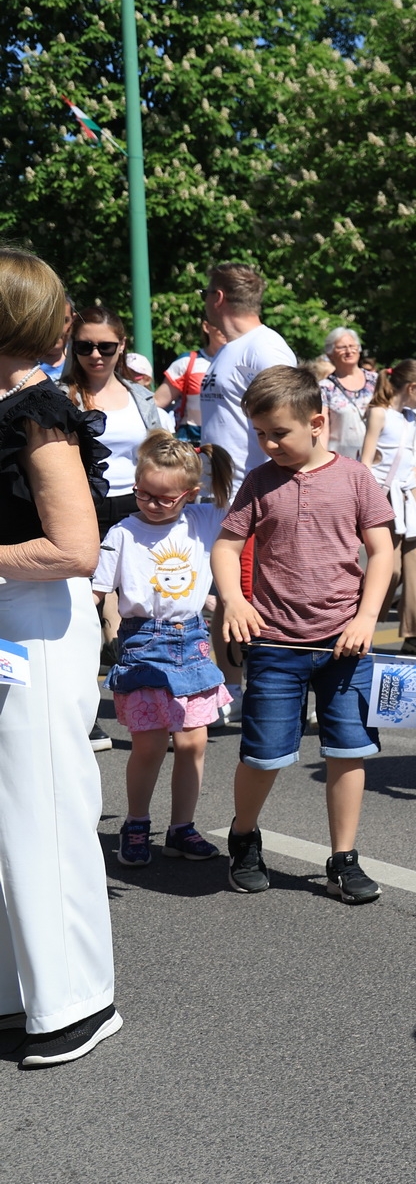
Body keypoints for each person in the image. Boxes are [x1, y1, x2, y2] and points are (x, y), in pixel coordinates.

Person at [0, 248, 121, 1067]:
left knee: (42, 807)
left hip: (37, 620)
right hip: (15, 613)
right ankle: (23, 991)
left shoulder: (37, 410)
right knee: (11, 816)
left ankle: (80, 1001)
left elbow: (75, 547)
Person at [213, 366, 397, 902]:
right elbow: (225, 547)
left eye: (279, 433)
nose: (269, 444)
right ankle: (244, 835)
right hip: (275, 644)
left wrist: (366, 618)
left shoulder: (356, 478)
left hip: (345, 643)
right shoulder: (259, 481)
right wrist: (234, 600)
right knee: (263, 755)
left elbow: (382, 551)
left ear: (316, 423)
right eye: (260, 434)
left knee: (348, 751)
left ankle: (344, 859)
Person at [98, 431, 235, 867]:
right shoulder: (122, 532)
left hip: (192, 642)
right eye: (144, 493)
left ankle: (182, 828)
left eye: (165, 498)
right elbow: (97, 590)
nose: (152, 504)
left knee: (193, 743)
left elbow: (249, 502)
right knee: (150, 745)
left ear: (190, 494)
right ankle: (136, 823)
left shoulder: (204, 519)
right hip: (143, 643)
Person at [63, 305, 170, 534]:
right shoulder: (60, 397)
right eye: (85, 347)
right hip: (81, 507)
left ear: (121, 345)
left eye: (105, 347)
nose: (95, 355)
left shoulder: (141, 397)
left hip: (140, 504)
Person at [363, 360, 416, 658]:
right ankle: (362, 624)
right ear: (412, 387)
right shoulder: (378, 413)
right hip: (382, 498)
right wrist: (367, 503)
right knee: (389, 569)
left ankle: (415, 633)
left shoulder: (411, 418)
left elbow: (410, 465)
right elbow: (365, 462)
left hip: (408, 500)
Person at [198, 263, 298, 479]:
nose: (204, 302)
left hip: (251, 489)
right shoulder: (228, 348)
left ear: (218, 297)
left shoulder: (265, 348)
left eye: (205, 294)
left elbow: (292, 418)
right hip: (219, 488)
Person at [156, 320, 225, 445]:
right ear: (206, 326)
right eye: (220, 322)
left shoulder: (244, 359)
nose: (226, 327)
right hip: (192, 440)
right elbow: (157, 402)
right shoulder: (186, 361)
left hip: (231, 440)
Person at [320, 327, 377, 461]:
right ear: (330, 354)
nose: (349, 351)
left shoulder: (376, 380)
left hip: (377, 461)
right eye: (342, 347)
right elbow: (322, 428)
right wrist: (321, 462)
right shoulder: (324, 387)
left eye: (352, 346)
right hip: (342, 460)